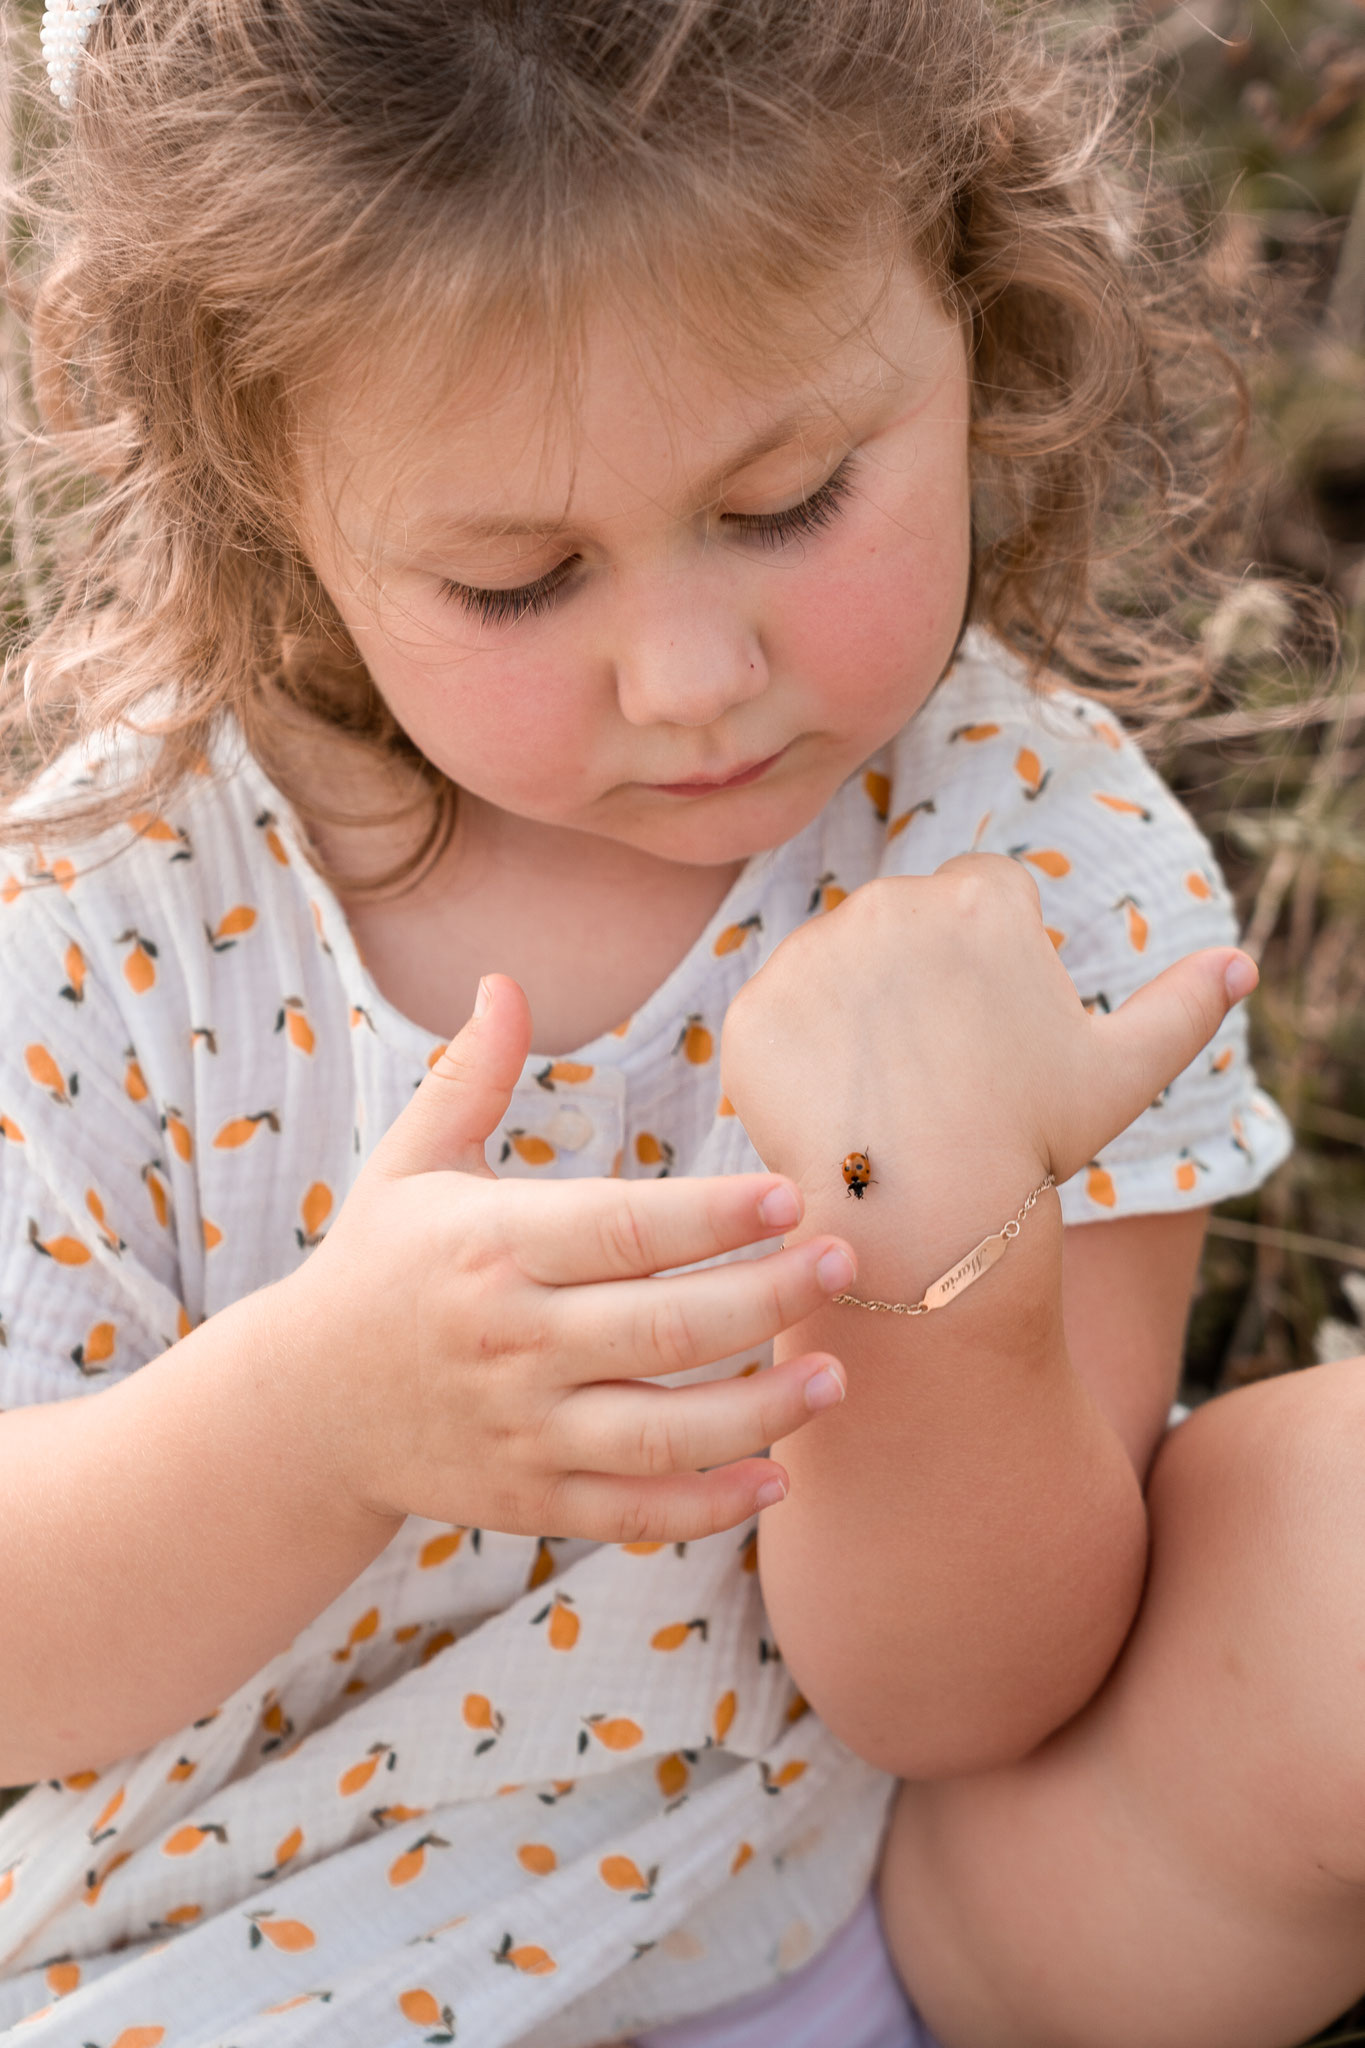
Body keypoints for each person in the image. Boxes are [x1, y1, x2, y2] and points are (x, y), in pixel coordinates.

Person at [0, 2, 1356, 2044]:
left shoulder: (1020, 855)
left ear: (973, 312)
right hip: (215, 1959)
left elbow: (969, 1698)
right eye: (517, 578)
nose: (692, 675)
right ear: (261, 485)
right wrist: (316, 1421)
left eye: (788, 499)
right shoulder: (111, 915)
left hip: (821, 1911)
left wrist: (931, 1267)